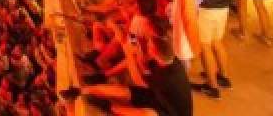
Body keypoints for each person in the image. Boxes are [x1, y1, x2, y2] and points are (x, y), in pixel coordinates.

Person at [61, 34, 191, 116]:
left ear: (154, 53)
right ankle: (79, 91)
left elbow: (137, 78)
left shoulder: (167, 79)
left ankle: (110, 107)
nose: (147, 47)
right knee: (122, 91)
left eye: (149, 47)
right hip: (157, 97)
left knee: (147, 114)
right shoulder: (169, 60)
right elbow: (145, 70)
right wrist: (138, 52)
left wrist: (129, 53)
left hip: (171, 112)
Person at [195, 0, 238, 98]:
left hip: (208, 6)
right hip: (223, 4)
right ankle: (223, 77)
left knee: (204, 45)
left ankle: (212, 86)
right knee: (217, 42)